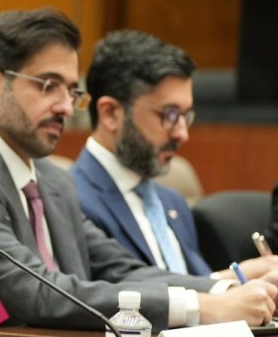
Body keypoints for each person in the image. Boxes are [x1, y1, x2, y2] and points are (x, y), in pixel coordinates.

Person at [0, 8, 276, 329]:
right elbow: (37, 293)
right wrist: (202, 308)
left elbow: (120, 271)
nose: (67, 108)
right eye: (47, 85)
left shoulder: (52, 181)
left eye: (71, 91)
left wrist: (229, 290)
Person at [72, 29, 278, 281]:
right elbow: (123, 296)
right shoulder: (73, 201)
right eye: (169, 115)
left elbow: (201, 297)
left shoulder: (171, 202)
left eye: (186, 116)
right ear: (111, 113)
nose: (182, 134)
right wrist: (234, 281)